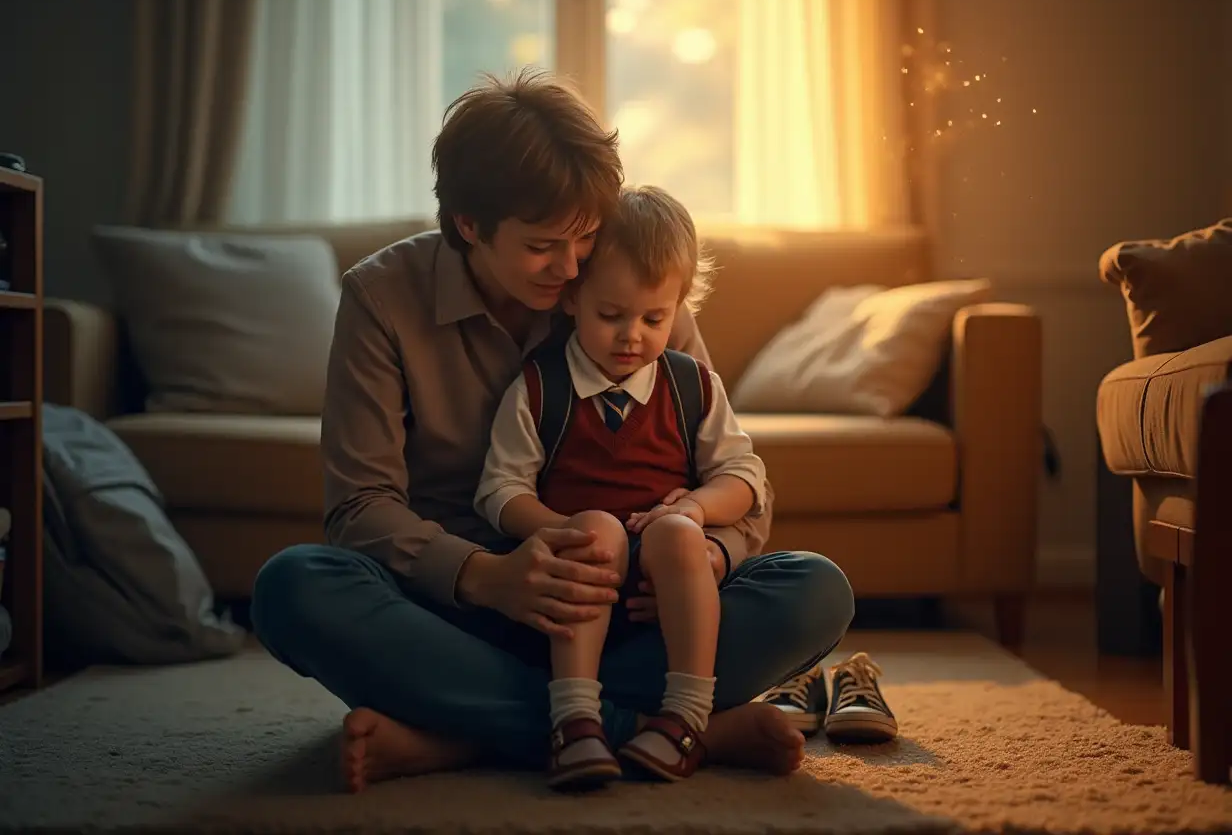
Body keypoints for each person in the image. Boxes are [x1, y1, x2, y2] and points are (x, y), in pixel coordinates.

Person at [248, 68, 856, 794]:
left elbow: (731, 483)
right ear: (471, 225)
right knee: (294, 588)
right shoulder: (381, 298)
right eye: (543, 247)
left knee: (816, 589)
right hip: (459, 612)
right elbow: (358, 507)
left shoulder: (628, 284)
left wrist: (700, 564)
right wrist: (490, 579)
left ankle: (462, 734)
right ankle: (667, 729)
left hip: (629, 607)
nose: (572, 269)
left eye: (585, 239)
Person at [475, 185, 767, 789]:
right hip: (579, 582)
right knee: (599, 530)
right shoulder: (538, 388)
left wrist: (692, 508)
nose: (632, 335)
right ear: (572, 297)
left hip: (672, 588)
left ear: (680, 307)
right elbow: (499, 492)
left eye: (654, 318)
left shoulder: (693, 387)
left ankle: (685, 717)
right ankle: (574, 720)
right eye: (611, 315)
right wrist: (562, 529)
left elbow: (745, 477)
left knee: (755, 562)